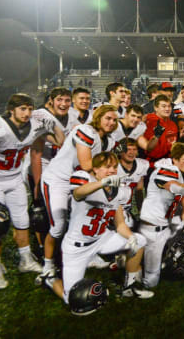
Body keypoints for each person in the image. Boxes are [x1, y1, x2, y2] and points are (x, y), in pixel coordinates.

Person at [38, 152, 153, 307]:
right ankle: (50, 280)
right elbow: (78, 193)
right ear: (96, 169)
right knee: (71, 299)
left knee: (140, 240)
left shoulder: (116, 190)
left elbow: (120, 224)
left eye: (114, 167)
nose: (112, 170)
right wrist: (103, 183)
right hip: (77, 247)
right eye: (107, 167)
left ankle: (129, 287)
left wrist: (130, 237)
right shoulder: (83, 178)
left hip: (101, 239)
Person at [0, 94, 64, 289]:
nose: (27, 113)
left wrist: (53, 124)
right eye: (22, 109)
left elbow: (60, 141)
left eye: (30, 109)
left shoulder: (34, 126)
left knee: (23, 222)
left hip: (14, 179)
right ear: (11, 109)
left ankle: (25, 260)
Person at [37, 105, 118, 283]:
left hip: (81, 182)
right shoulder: (85, 130)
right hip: (60, 180)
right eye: (108, 118)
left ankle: (89, 256)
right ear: (98, 117)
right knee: (58, 226)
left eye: (114, 120)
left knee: (84, 221)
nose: (111, 123)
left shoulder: (109, 141)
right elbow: (86, 164)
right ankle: (48, 265)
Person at [139, 143, 184, 287]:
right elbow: (176, 187)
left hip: (169, 225)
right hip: (153, 229)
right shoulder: (165, 170)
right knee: (151, 282)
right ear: (175, 159)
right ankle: (128, 258)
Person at [143, 95, 178, 162]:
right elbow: (149, 148)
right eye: (164, 106)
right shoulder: (149, 121)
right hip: (152, 163)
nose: (167, 109)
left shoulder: (172, 124)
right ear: (156, 108)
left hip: (169, 162)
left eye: (169, 106)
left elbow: (172, 146)